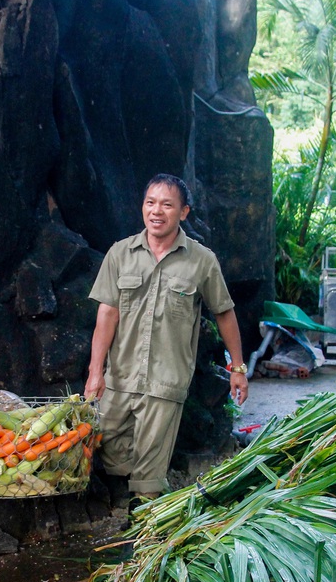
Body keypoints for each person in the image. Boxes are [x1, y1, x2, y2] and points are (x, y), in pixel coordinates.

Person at [84, 173, 248, 507]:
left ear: (184, 212)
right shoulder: (120, 254)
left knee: (148, 473)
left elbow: (224, 312)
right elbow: (107, 314)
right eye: (150, 202)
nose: (157, 210)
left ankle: (140, 526)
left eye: (167, 204)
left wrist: (238, 368)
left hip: (166, 381)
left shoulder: (201, 260)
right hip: (121, 377)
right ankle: (128, 497)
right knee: (107, 444)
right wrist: (95, 371)